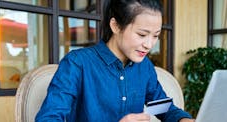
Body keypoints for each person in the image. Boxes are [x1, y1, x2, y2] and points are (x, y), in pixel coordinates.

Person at [36, 0, 194, 121]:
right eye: (142, 34)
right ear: (116, 26)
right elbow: (48, 118)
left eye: (155, 35)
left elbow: (162, 108)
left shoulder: (144, 67)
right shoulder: (77, 63)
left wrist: (183, 119)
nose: (149, 45)